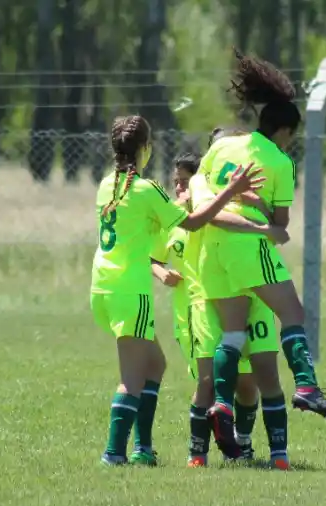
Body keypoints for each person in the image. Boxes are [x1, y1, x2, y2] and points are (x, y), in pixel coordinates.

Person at [197, 50, 326, 458]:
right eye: (292, 136)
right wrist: (262, 215)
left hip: (212, 250)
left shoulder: (223, 148)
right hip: (249, 245)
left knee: (231, 333)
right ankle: (306, 386)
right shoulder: (280, 162)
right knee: (293, 313)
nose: (291, 142)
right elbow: (280, 227)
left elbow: (202, 193)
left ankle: (222, 404)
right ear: (284, 131)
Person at [90, 114, 264, 466]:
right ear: (145, 149)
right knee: (132, 378)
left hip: (102, 287)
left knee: (155, 364)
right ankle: (114, 454)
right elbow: (195, 221)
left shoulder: (106, 184)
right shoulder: (145, 189)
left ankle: (142, 449)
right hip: (130, 290)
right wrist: (229, 191)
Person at [155, 149, 290, 470]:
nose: (180, 190)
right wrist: (162, 272)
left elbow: (277, 228)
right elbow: (153, 255)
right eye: (176, 183)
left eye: (186, 183)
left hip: (248, 298)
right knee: (208, 381)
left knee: (249, 381)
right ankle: (197, 453)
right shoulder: (174, 217)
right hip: (200, 305)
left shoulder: (234, 211)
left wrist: (256, 204)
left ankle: (246, 445)